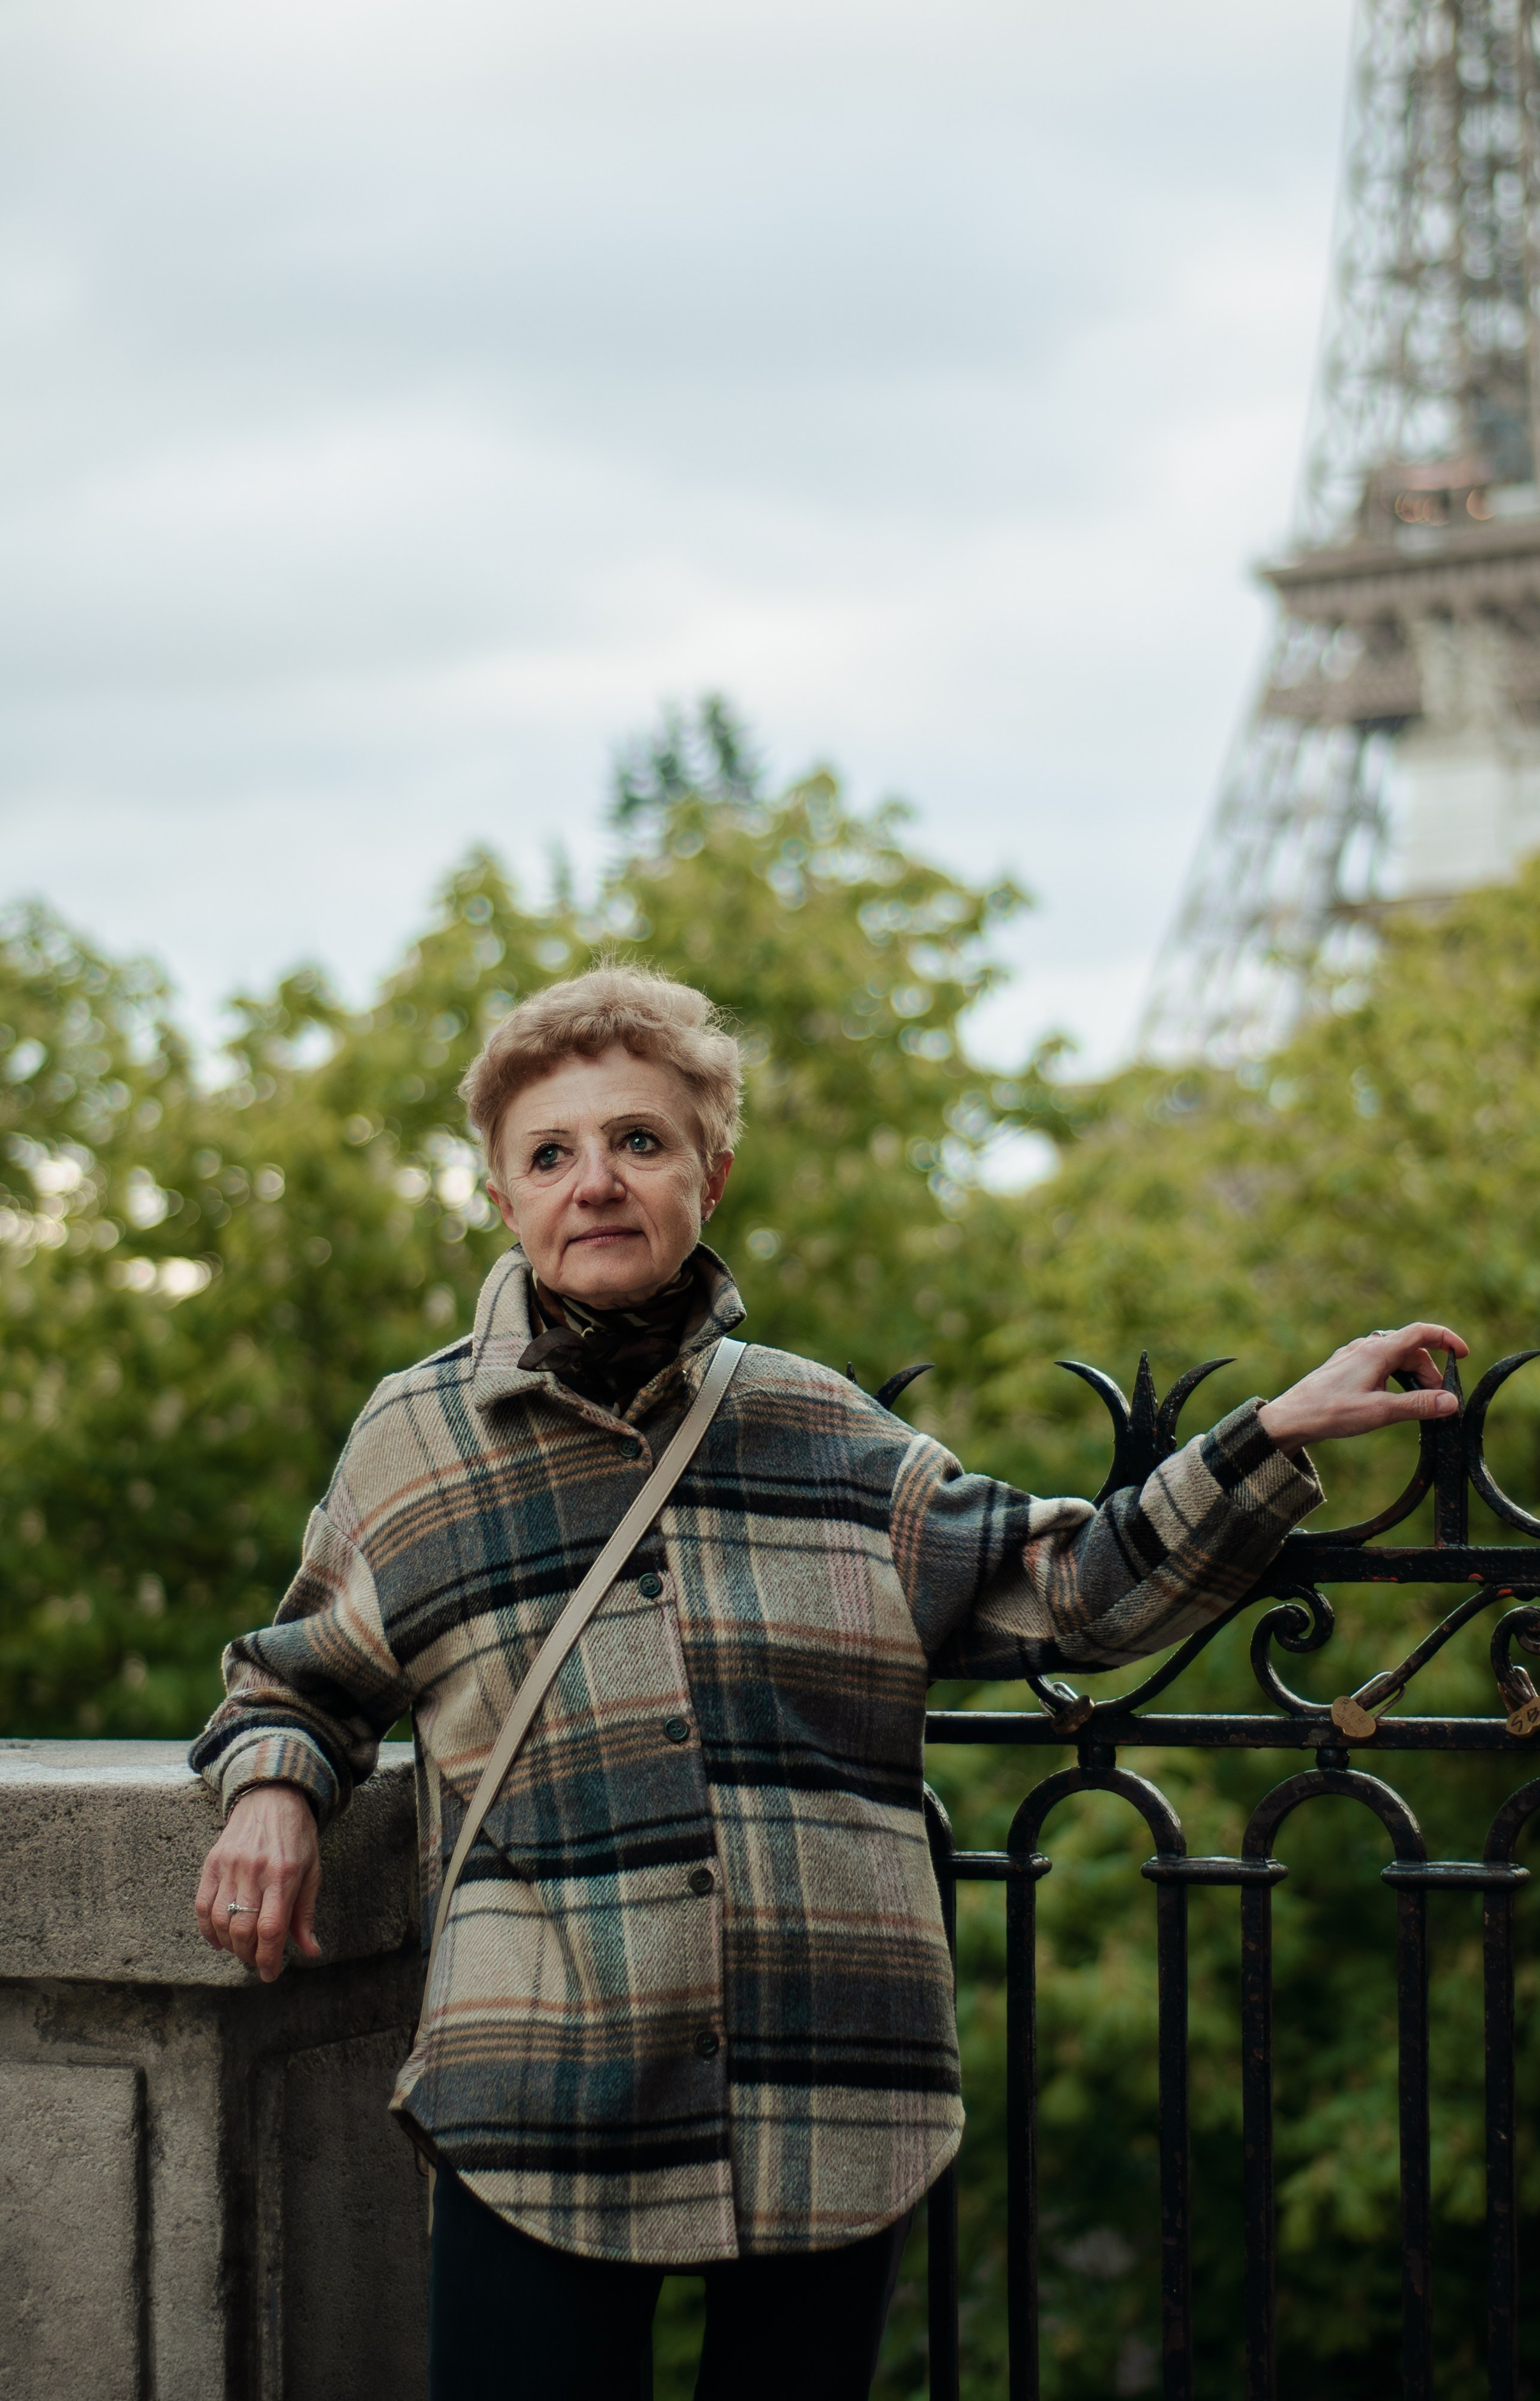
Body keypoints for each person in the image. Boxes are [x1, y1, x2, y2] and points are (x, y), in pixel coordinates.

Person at [190, 964, 1467, 2401]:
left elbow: (1073, 1586)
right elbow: (295, 1677)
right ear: (501, 1197)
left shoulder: (820, 1427)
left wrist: (1269, 1434)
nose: (594, 1181)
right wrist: (277, 1793)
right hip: (538, 2076)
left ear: (709, 1175)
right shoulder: (413, 1443)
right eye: (550, 1153)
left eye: (639, 1140)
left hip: (828, 2081)